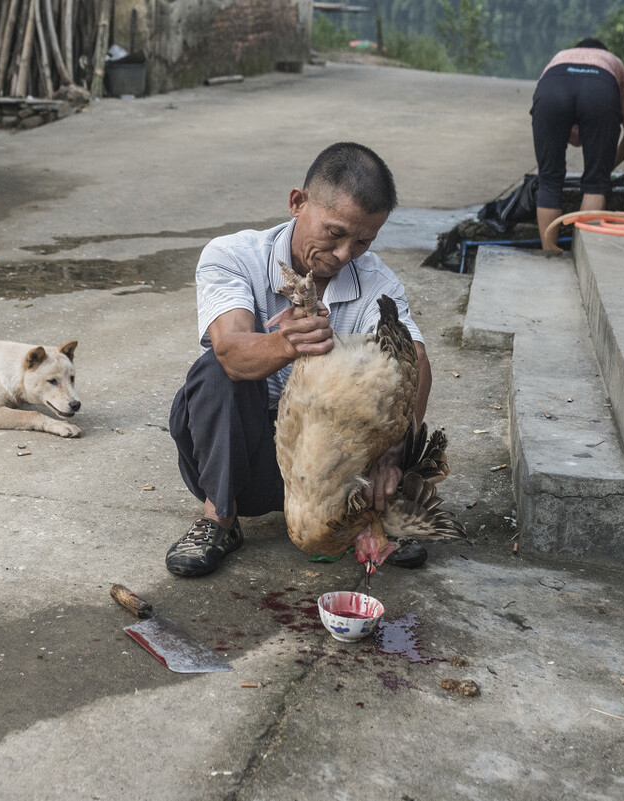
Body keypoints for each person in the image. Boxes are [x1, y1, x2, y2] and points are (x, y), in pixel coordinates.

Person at [165, 142, 432, 577]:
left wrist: (393, 453)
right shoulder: (233, 256)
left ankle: (368, 523)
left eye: (363, 240)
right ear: (297, 203)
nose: (345, 253)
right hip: (238, 456)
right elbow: (230, 350)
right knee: (216, 371)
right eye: (334, 232)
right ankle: (219, 519)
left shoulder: (377, 282)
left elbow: (415, 362)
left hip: (323, 470)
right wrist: (285, 345)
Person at [531, 38, 624, 251]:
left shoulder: (559, 57)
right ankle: (585, 254)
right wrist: (604, 167)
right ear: (603, 52)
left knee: (549, 180)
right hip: (599, 90)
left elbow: (543, 100)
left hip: (553, 89)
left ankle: (549, 252)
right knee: (596, 184)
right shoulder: (614, 63)